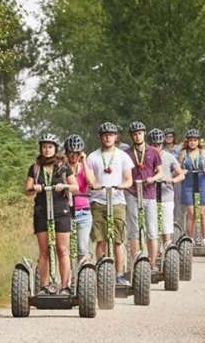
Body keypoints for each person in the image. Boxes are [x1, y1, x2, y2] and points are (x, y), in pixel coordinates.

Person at [24, 133, 78, 295]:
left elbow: (75, 187)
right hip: (41, 210)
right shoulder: (35, 168)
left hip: (60, 210)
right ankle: (44, 286)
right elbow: (26, 191)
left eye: (50, 147)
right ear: (41, 148)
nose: (47, 150)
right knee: (44, 251)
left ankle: (65, 286)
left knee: (62, 249)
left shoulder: (63, 167)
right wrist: (35, 188)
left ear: (55, 148)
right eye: (44, 147)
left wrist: (65, 186)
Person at [85, 122, 134, 286]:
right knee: (101, 240)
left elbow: (129, 179)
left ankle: (119, 275)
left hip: (117, 201)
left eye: (111, 135)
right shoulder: (93, 156)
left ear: (116, 137)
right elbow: (90, 177)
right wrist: (94, 183)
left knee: (118, 240)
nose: (108, 137)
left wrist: (123, 185)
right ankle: (100, 274)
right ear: (100, 137)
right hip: (99, 201)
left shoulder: (123, 156)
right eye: (105, 134)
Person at [123, 121, 163, 270]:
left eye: (140, 133)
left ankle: (152, 263)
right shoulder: (126, 153)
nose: (137, 136)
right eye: (134, 134)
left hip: (149, 194)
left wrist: (154, 178)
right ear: (131, 136)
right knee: (134, 229)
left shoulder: (153, 151)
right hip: (132, 193)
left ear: (144, 133)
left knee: (151, 229)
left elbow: (160, 171)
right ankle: (136, 263)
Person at [177, 129, 205, 246]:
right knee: (191, 213)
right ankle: (190, 238)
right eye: (190, 140)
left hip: (201, 183)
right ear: (187, 142)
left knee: (203, 213)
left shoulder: (203, 153)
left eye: (195, 140)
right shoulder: (183, 153)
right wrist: (182, 171)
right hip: (188, 185)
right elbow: (176, 169)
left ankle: (204, 239)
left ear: (198, 141)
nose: (193, 142)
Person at [147, 128, 186, 245]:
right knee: (152, 226)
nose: (156, 148)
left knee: (166, 227)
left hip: (166, 195)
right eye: (154, 145)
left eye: (159, 145)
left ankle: (167, 249)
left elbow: (181, 175)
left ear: (162, 144)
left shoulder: (168, 157)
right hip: (151, 196)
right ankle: (153, 252)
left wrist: (172, 180)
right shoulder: (145, 156)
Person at [63, 134, 94, 263]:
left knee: (82, 248)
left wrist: (84, 162)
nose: (74, 156)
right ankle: (70, 278)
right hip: (67, 211)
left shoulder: (85, 167)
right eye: (71, 153)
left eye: (77, 153)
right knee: (68, 249)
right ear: (66, 153)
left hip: (84, 211)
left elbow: (91, 182)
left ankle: (83, 274)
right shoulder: (62, 168)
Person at [163, 127, 184, 223]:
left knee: (178, 201)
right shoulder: (162, 149)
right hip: (167, 178)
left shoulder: (179, 148)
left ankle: (177, 222)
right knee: (167, 201)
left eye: (171, 136)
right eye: (167, 136)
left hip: (177, 177)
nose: (169, 138)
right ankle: (168, 222)